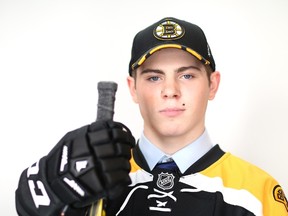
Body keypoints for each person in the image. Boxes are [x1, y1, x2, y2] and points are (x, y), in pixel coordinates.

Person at [15, 17, 287, 216]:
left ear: (212, 85)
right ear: (133, 88)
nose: (170, 90)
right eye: (154, 77)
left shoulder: (257, 193)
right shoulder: (83, 178)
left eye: (187, 75)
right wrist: (47, 191)